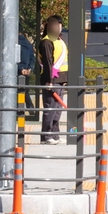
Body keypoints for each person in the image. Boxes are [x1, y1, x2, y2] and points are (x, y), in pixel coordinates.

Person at [36, 15, 68, 144]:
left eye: (60, 24)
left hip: (60, 79)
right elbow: (48, 62)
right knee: (50, 109)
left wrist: (65, 78)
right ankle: (46, 136)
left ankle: (55, 134)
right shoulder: (46, 42)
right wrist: (48, 81)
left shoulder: (59, 40)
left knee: (57, 109)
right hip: (51, 81)